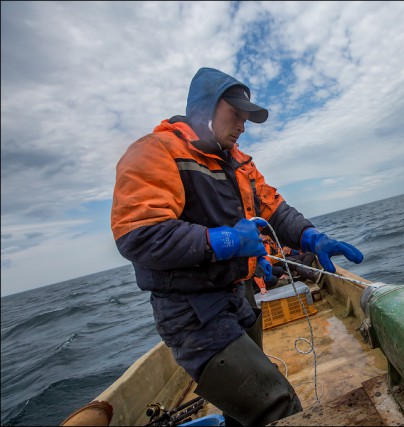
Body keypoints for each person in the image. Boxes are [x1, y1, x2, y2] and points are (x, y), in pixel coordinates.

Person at [110, 67, 364, 426]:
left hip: (238, 298)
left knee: (239, 413)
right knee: (275, 404)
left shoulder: (239, 162)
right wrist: (226, 241)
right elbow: (139, 234)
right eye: (236, 114)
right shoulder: (155, 152)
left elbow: (274, 209)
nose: (243, 125)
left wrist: (311, 236)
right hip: (191, 313)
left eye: (246, 117)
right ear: (206, 110)